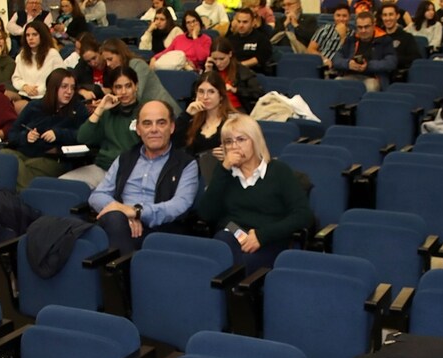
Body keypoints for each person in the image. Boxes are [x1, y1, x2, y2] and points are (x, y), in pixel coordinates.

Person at [197, 113, 313, 274]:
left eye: (241, 139)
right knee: (220, 247)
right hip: (236, 234)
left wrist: (262, 235)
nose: (234, 146)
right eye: (228, 142)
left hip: (270, 239)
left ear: (255, 141)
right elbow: (206, 214)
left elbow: (303, 215)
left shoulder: (279, 171)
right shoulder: (225, 173)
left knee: (236, 265)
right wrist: (224, 169)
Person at [89, 100, 199, 254]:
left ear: (172, 127)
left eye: (161, 123)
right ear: (138, 129)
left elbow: (179, 205)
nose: (154, 129)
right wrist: (123, 213)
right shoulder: (125, 158)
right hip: (121, 224)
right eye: (147, 124)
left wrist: (137, 212)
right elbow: (98, 195)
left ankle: (123, 272)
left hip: (159, 232)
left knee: (109, 227)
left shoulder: (186, 163)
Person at [3, 68, 89, 189]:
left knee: (17, 169)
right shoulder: (34, 106)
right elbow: (12, 134)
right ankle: (26, 192)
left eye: (72, 87)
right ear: (53, 88)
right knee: (5, 155)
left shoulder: (78, 108)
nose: (69, 92)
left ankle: (23, 194)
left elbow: (85, 135)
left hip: (54, 159)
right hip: (27, 153)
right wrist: (26, 136)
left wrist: (59, 134)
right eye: (64, 87)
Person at [61, 67, 144, 188]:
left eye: (128, 86)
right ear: (112, 90)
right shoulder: (108, 112)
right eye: (118, 87)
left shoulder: (145, 111)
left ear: (136, 86)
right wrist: (100, 109)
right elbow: (83, 138)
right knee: (61, 183)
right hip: (103, 168)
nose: (124, 91)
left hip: (132, 171)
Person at [100, 38, 181, 113]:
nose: (108, 64)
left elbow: (134, 97)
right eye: (105, 60)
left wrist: (109, 103)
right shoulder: (118, 72)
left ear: (121, 55)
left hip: (165, 110)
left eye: (110, 59)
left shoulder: (138, 65)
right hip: (147, 111)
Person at [173, 71, 236, 157]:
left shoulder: (233, 122)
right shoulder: (191, 120)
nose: (205, 97)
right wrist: (186, 115)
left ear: (221, 95)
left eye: (211, 92)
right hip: (193, 168)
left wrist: (230, 156)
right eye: (201, 92)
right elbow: (173, 143)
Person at [332, 11, 397, 92]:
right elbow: (336, 58)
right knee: (336, 82)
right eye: (360, 27)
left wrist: (368, 66)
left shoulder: (384, 40)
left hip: (373, 78)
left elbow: (391, 63)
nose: (363, 30)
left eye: (366, 27)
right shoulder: (351, 40)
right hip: (351, 75)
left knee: (371, 86)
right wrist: (348, 64)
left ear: (373, 26)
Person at [12, 20, 65, 107]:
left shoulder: (52, 54)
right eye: (27, 35)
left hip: (45, 97)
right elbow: (16, 78)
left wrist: (38, 90)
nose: (30, 38)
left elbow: (59, 79)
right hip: (24, 94)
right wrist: (24, 86)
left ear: (42, 36)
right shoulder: (22, 55)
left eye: (34, 34)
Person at [204, 37, 263, 113]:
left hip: (235, 110)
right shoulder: (211, 68)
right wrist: (207, 73)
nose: (218, 63)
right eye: (215, 59)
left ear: (230, 54)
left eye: (222, 59)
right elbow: (196, 93)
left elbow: (258, 93)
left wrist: (235, 90)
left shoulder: (241, 71)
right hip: (213, 109)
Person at [377, 2, 421, 73]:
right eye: (385, 15)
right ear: (381, 17)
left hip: (397, 74)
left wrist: (394, 59)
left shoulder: (407, 37)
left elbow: (415, 58)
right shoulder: (377, 36)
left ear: (397, 16)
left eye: (391, 14)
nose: (388, 18)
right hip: (378, 72)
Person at [227, 8, 274, 74]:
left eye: (245, 22)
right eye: (239, 21)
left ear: (253, 22)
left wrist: (239, 65)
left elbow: (260, 58)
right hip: (232, 72)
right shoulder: (231, 39)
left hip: (254, 73)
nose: (241, 25)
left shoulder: (262, 39)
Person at [307, 3, 353, 68]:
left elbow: (348, 55)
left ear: (349, 17)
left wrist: (343, 37)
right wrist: (324, 59)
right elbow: (310, 49)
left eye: (344, 16)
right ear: (334, 16)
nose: (341, 19)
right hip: (321, 63)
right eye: (338, 15)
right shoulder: (325, 29)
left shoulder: (353, 34)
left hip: (339, 67)